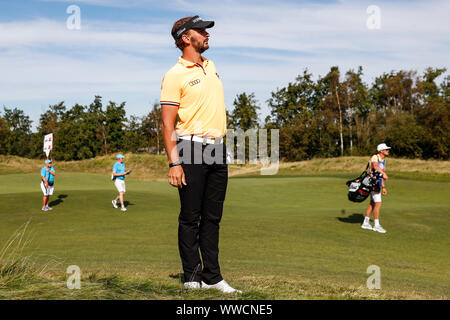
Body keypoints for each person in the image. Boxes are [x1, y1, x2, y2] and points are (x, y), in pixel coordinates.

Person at [160, 15, 241, 293]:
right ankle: (192, 276)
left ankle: (213, 277)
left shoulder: (211, 66)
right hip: (190, 149)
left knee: (213, 218)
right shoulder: (174, 75)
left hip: (218, 151)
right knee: (190, 216)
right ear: (185, 38)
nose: (207, 34)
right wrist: (174, 162)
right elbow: (167, 123)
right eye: (201, 31)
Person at [361, 143, 391, 233]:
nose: (388, 151)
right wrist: (384, 173)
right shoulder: (375, 157)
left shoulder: (384, 161)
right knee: (378, 204)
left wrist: (384, 187)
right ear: (381, 150)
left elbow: (380, 176)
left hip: (377, 184)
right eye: (386, 149)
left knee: (372, 204)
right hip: (372, 183)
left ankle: (365, 223)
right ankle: (376, 225)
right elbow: (375, 166)